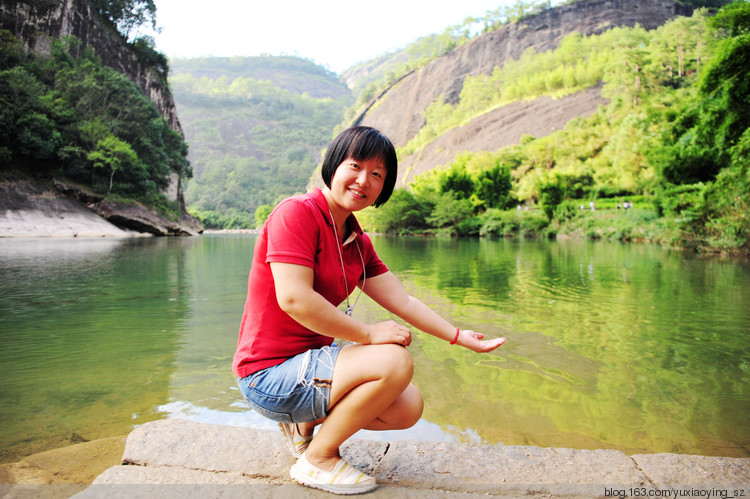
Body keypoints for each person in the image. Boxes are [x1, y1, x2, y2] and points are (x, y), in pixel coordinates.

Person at [232, 126, 506, 495]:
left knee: (407, 406)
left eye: (377, 174)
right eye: (355, 165)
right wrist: (368, 333)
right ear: (333, 164)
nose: (364, 180)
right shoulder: (297, 213)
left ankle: (305, 427)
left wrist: (459, 336)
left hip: (310, 367)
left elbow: (404, 301)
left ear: (385, 186)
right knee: (392, 361)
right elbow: (294, 298)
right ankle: (318, 460)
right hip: (267, 376)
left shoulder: (356, 242)